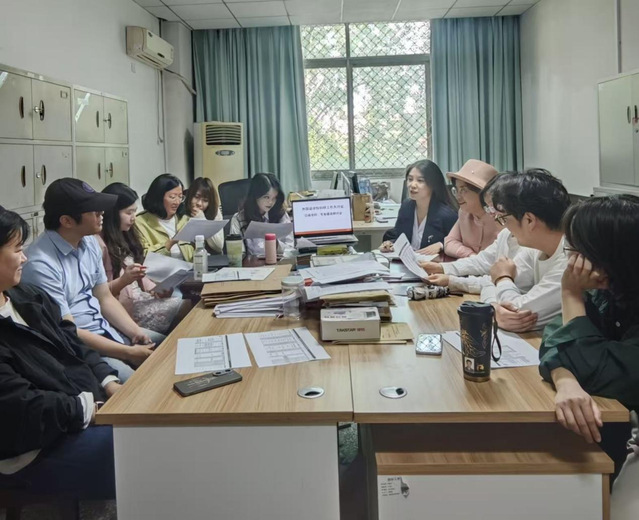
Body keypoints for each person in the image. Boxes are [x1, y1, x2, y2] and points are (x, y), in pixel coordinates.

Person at [0, 206, 118, 500]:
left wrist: (108, 381)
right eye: (17, 250)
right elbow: (19, 407)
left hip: (75, 413)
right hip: (32, 449)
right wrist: (88, 408)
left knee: (155, 427)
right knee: (140, 447)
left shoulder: (28, 296)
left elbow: (72, 344)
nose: (24, 258)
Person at [539, 194, 639, 480]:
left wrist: (570, 293)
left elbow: (597, 368)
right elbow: (555, 335)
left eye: (577, 251)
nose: (573, 261)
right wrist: (565, 381)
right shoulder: (613, 290)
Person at [21, 179, 157, 383]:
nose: (102, 213)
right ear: (67, 221)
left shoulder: (89, 242)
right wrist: (127, 352)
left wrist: (135, 332)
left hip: (107, 330)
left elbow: (104, 298)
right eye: (94, 211)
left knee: (169, 347)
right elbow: (69, 331)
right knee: (137, 383)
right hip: (84, 349)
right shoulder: (41, 264)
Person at [473, 169, 570, 332]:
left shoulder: (571, 259)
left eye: (503, 218)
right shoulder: (536, 249)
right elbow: (491, 282)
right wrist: (493, 307)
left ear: (529, 220)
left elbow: (519, 312)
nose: (504, 226)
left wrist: (503, 278)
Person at [423, 173, 535, 296]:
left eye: (464, 190)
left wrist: (452, 280)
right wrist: (443, 269)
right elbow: (482, 261)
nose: (492, 213)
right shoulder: (505, 233)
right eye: (489, 207)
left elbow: (508, 291)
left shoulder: (528, 244)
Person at [99, 183, 189, 335]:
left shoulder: (125, 234)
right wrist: (124, 280)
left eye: (134, 211)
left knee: (189, 305)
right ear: (112, 213)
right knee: (187, 307)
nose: (133, 218)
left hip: (140, 297)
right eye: (128, 213)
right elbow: (101, 293)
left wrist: (155, 290)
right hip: (124, 309)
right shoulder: (100, 244)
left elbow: (138, 269)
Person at [379, 159, 457, 255]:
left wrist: (441, 245)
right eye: (410, 179)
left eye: (420, 180)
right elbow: (399, 236)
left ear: (433, 184)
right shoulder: (406, 206)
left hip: (433, 262)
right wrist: (390, 244)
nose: (412, 185)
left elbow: (459, 242)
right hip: (406, 260)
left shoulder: (447, 215)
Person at [443, 159, 501, 259]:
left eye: (463, 190)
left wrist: (477, 260)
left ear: (483, 193)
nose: (458, 196)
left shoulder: (501, 217)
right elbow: (449, 242)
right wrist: (470, 255)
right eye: (456, 190)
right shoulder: (464, 213)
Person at [229, 173, 294, 256]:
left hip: (278, 262)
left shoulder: (281, 215)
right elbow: (237, 255)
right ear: (255, 196)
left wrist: (276, 244)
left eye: (274, 198)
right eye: (266, 197)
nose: (270, 202)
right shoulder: (239, 219)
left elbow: (290, 249)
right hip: (251, 263)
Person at [134, 174, 194, 261]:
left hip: (188, 268)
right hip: (159, 269)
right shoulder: (139, 223)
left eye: (180, 197)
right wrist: (172, 242)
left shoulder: (184, 219)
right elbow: (143, 257)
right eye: (172, 197)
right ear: (158, 197)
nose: (177, 202)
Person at [183, 177, 225, 254]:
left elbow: (218, 247)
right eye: (196, 197)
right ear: (190, 195)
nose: (199, 203)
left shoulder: (215, 212)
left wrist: (202, 221)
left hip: (212, 258)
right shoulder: (181, 212)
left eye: (205, 200)